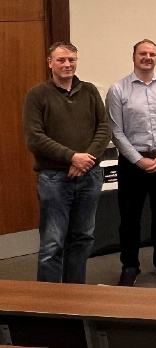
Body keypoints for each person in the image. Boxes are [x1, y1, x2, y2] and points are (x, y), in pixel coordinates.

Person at [23, 42, 111, 283]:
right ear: (50, 62)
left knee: (83, 238)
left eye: (71, 59)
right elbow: (35, 138)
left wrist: (85, 160)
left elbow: (104, 129)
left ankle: (75, 295)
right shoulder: (37, 95)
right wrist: (72, 157)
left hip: (89, 176)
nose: (67, 64)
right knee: (53, 243)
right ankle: (50, 304)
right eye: (61, 60)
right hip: (54, 179)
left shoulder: (90, 91)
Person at [106, 39, 156, 287]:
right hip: (132, 164)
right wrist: (138, 160)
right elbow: (116, 131)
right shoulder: (118, 89)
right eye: (143, 53)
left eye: (152, 54)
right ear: (133, 57)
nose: (148, 57)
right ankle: (130, 265)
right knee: (130, 218)